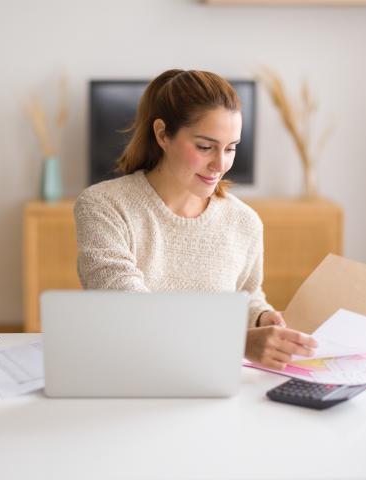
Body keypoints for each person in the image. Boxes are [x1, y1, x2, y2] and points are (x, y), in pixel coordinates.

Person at [74, 69, 317, 370]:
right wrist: (237, 342)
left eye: (231, 148)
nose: (220, 164)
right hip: (129, 373)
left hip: (209, 375)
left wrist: (261, 317)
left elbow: (245, 295)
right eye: (205, 147)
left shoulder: (244, 221)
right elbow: (129, 309)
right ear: (162, 134)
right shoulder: (104, 205)